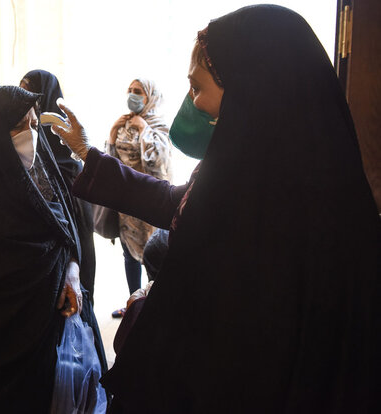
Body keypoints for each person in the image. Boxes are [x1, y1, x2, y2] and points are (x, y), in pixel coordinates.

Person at [52, 5, 380, 413]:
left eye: (197, 87)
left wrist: (154, 306)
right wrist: (88, 153)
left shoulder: (269, 192)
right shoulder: (249, 168)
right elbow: (178, 204)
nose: (195, 102)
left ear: (247, 87)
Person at [0, 86, 107, 413]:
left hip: (49, 347)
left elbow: (68, 236)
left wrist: (71, 270)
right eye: (19, 127)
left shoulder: (45, 179)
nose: (30, 134)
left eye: (33, 125)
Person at [19, 69, 97, 301]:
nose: (24, 95)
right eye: (21, 88)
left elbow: (71, 170)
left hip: (73, 212)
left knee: (78, 271)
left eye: (29, 89)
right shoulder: (25, 128)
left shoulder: (58, 128)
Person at [107, 78, 173, 318]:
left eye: (138, 92)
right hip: (127, 203)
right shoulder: (123, 124)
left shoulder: (158, 125)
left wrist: (144, 130)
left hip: (152, 201)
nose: (132, 95)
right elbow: (111, 163)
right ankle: (133, 304)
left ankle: (154, 306)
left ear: (150, 97)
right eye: (130, 91)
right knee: (129, 255)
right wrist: (113, 134)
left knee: (153, 253)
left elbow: (158, 165)